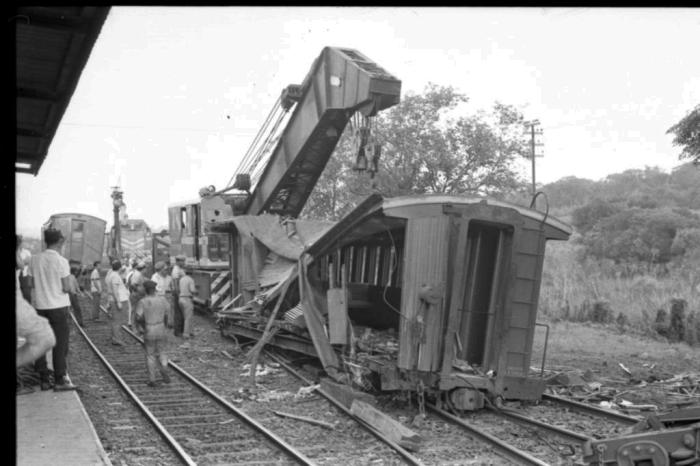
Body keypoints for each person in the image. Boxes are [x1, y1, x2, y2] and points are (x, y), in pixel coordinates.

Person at [27, 228, 76, 391]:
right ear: (60, 242)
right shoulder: (62, 261)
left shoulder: (34, 259)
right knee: (60, 344)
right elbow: (67, 287)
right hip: (59, 307)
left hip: (40, 306)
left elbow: (31, 284)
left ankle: (43, 378)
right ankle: (59, 379)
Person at [134, 280, 171, 387]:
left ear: (146, 290)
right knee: (163, 351)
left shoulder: (143, 301)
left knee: (150, 355)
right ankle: (164, 369)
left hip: (149, 328)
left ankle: (152, 379)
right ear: (155, 289)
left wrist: (141, 325)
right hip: (161, 327)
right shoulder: (163, 300)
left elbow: (138, 317)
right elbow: (167, 313)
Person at [16, 294, 56, 367]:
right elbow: (45, 339)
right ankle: (59, 375)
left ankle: (41, 369)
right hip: (57, 304)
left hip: (40, 304)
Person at [106, 260, 129, 346]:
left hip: (115, 300)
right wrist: (118, 302)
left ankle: (115, 338)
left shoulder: (112, 275)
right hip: (119, 301)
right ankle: (117, 339)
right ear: (120, 267)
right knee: (118, 321)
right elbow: (115, 290)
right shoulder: (115, 276)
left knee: (116, 320)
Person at [151, 261, 173, 326]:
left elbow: (172, 287)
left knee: (168, 312)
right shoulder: (155, 277)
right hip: (158, 298)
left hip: (167, 298)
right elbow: (154, 289)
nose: (167, 271)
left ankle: (167, 324)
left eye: (167, 270)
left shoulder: (169, 277)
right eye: (165, 270)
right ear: (160, 270)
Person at [178, 268, 198, 339]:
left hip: (180, 299)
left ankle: (190, 332)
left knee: (185, 317)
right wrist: (196, 291)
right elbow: (192, 290)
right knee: (188, 318)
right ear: (192, 273)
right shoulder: (190, 280)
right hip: (187, 299)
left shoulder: (181, 279)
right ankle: (186, 334)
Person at [127, 260, 147, 328]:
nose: (146, 270)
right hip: (136, 296)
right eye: (145, 268)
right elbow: (133, 285)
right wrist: (138, 291)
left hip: (138, 295)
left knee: (138, 311)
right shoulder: (137, 274)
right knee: (135, 311)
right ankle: (134, 327)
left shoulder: (139, 274)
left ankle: (137, 326)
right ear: (143, 268)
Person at [171, 255, 186, 337]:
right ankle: (177, 331)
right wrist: (178, 294)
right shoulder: (176, 270)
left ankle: (182, 330)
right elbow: (176, 283)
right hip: (179, 294)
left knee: (182, 312)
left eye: (184, 261)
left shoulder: (180, 269)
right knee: (178, 312)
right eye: (182, 261)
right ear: (178, 261)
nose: (184, 262)